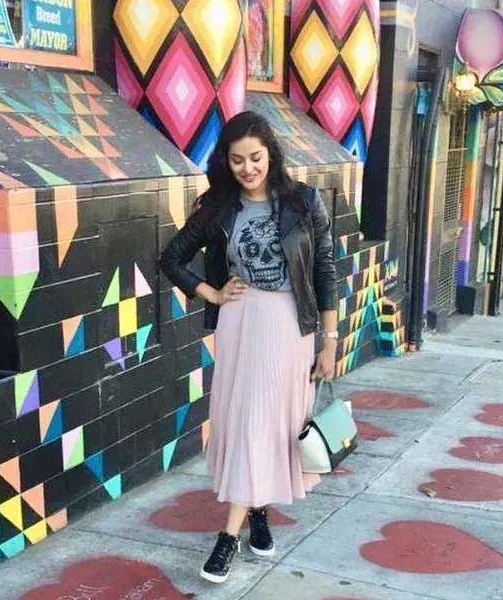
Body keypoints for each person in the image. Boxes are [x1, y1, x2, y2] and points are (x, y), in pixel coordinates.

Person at [159, 111, 338, 584]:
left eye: (255, 157)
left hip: (287, 326)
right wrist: (212, 293)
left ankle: (235, 529)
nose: (247, 168)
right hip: (240, 323)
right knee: (245, 422)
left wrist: (330, 340)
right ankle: (243, 524)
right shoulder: (219, 208)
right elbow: (170, 258)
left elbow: (324, 271)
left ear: (271, 154)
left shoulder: (303, 202)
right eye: (237, 160)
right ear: (227, 162)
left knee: (265, 423)